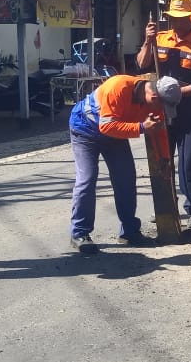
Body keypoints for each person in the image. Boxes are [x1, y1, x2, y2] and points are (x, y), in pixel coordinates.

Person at [69, 74, 182, 253]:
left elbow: (158, 132)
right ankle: (79, 233)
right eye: (162, 106)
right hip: (85, 131)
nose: (162, 110)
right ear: (153, 97)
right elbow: (105, 127)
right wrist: (142, 127)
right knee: (87, 179)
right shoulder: (118, 87)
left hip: (115, 136)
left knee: (126, 178)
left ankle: (129, 231)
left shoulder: (155, 102)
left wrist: (164, 158)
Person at [136, 0, 191, 217]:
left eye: (182, 19)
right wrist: (148, 41)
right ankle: (167, 209)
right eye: (173, 18)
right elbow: (141, 64)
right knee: (162, 161)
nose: (177, 23)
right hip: (161, 111)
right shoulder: (159, 38)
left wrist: (179, 93)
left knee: (189, 165)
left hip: (190, 113)